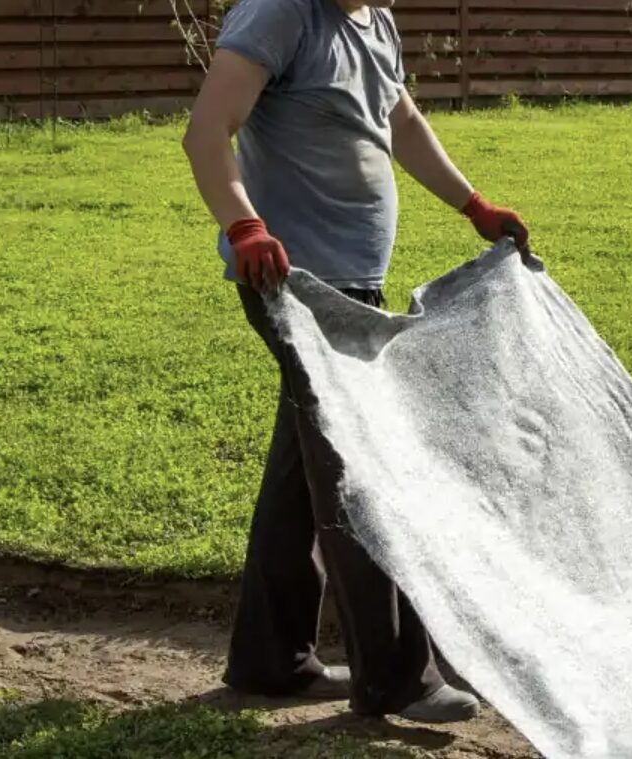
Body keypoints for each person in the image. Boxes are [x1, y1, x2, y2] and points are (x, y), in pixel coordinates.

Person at [181, 0, 529, 725]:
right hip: (292, 283)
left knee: (301, 473)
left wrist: (473, 204)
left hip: (352, 284)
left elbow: (399, 122)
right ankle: (397, 676)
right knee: (358, 466)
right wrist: (243, 225)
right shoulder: (282, 14)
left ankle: (269, 660)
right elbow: (206, 130)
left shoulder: (376, 20)